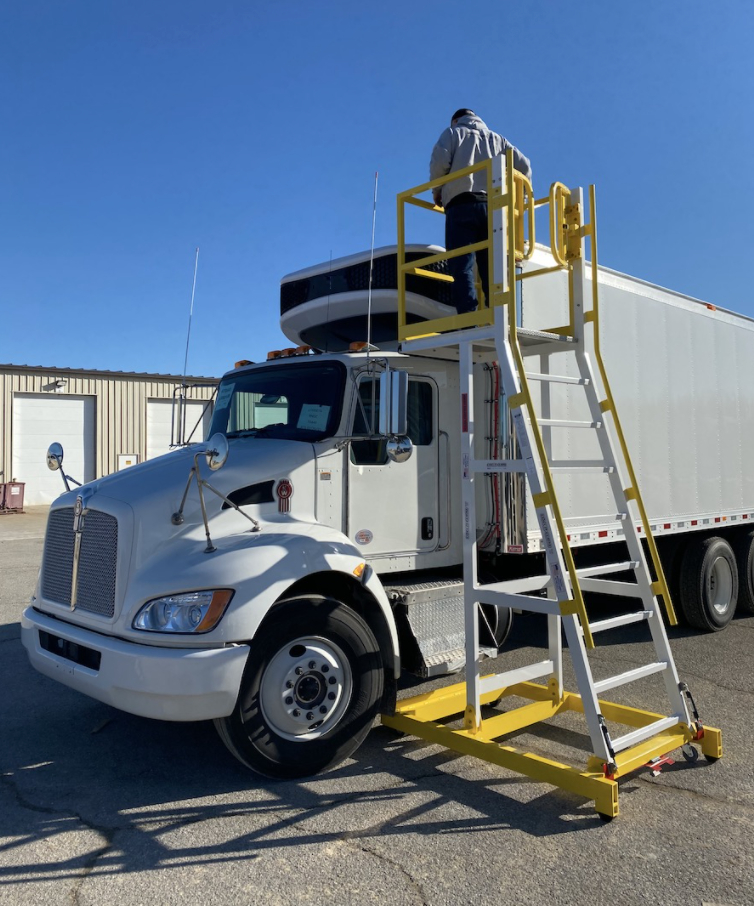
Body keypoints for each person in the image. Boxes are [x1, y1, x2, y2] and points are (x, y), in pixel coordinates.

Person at [429, 109, 532, 314]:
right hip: (492, 207)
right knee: (491, 265)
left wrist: (437, 191)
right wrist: (520, 200)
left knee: (462, 265)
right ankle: (498, 313)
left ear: (456, 120)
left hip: (461, 204)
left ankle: (468, 317)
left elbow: (439, 162)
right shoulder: (498, 140)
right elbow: (524, 165)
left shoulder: (453, 133)